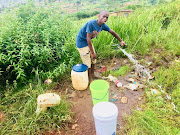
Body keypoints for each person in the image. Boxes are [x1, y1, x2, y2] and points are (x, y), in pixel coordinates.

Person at [76, 10, 126, 82]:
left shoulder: (103, 26)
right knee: (87, 62)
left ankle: (92, 74)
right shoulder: (91, 23)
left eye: (107, 17)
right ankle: (90, 79)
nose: (105, 18)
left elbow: (112, 32)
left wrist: (121, 41)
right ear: (98, 16)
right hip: (81, 43)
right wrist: (92, 53)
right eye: (103, 16)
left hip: (88, 42)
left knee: (94, 59)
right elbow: (88, 38)